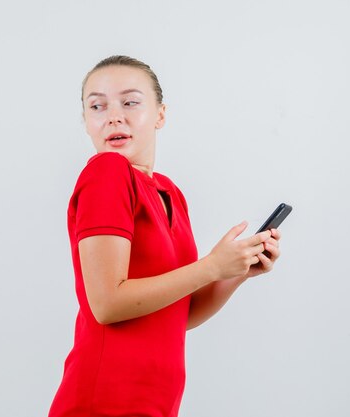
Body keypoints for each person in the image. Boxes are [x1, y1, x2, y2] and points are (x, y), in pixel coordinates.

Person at [48, 55, 282, 417]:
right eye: (97, 106)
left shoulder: (170, 193)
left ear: (160, 114)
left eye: (130, 102)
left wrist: (233, 272)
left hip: (155, 403)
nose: (113, 116)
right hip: (106, 402)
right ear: (86, 122)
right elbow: (108, 304)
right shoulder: (107, 173)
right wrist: (210, 267)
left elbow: (176, 315)